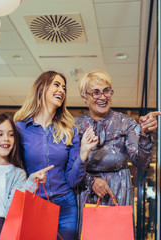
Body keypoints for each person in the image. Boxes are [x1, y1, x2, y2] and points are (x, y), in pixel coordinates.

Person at [74, 70, 161, 237]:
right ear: (84, 97)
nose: (103, 97)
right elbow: (69, 165)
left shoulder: (126, 122)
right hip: (85, 192)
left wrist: (144, 135)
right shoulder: (75, 125)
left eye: (106, 91)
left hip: (118, 191)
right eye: (96, 92)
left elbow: (141, 162)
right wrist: (90, 180)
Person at [14, 71, 98, 240]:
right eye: (57, 85)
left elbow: (73, 180)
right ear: (41, 88)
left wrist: (83, 154)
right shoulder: (20, 128)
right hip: (33, 203)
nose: (62, 90)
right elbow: (15, 171)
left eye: (64, 88)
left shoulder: (69, 130)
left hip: (65, 206)